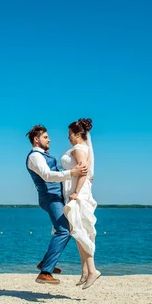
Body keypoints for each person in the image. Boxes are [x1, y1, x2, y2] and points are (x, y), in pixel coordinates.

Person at [26, 125, 88, 284]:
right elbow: (47, 176)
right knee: (64, 230)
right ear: (36, 139)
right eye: (46, 137)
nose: (49, 139)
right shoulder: (34, 156)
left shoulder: (43, 155)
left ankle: (45, 263)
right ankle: (45, 272)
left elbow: (56, 173)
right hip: (50, 197)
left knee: (68, 229)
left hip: (56, 196)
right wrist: (73, 172)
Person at [61, 118, 101, 290]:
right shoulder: (84, 149)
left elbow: (83, 171)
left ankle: (92, 270)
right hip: (81, 192)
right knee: (78, 230)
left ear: (78, 134)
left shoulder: (78, 149)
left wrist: (76, 193)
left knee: (79, 231)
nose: (68, 137)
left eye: (70, 134)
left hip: (78, 194)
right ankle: (85, 270)